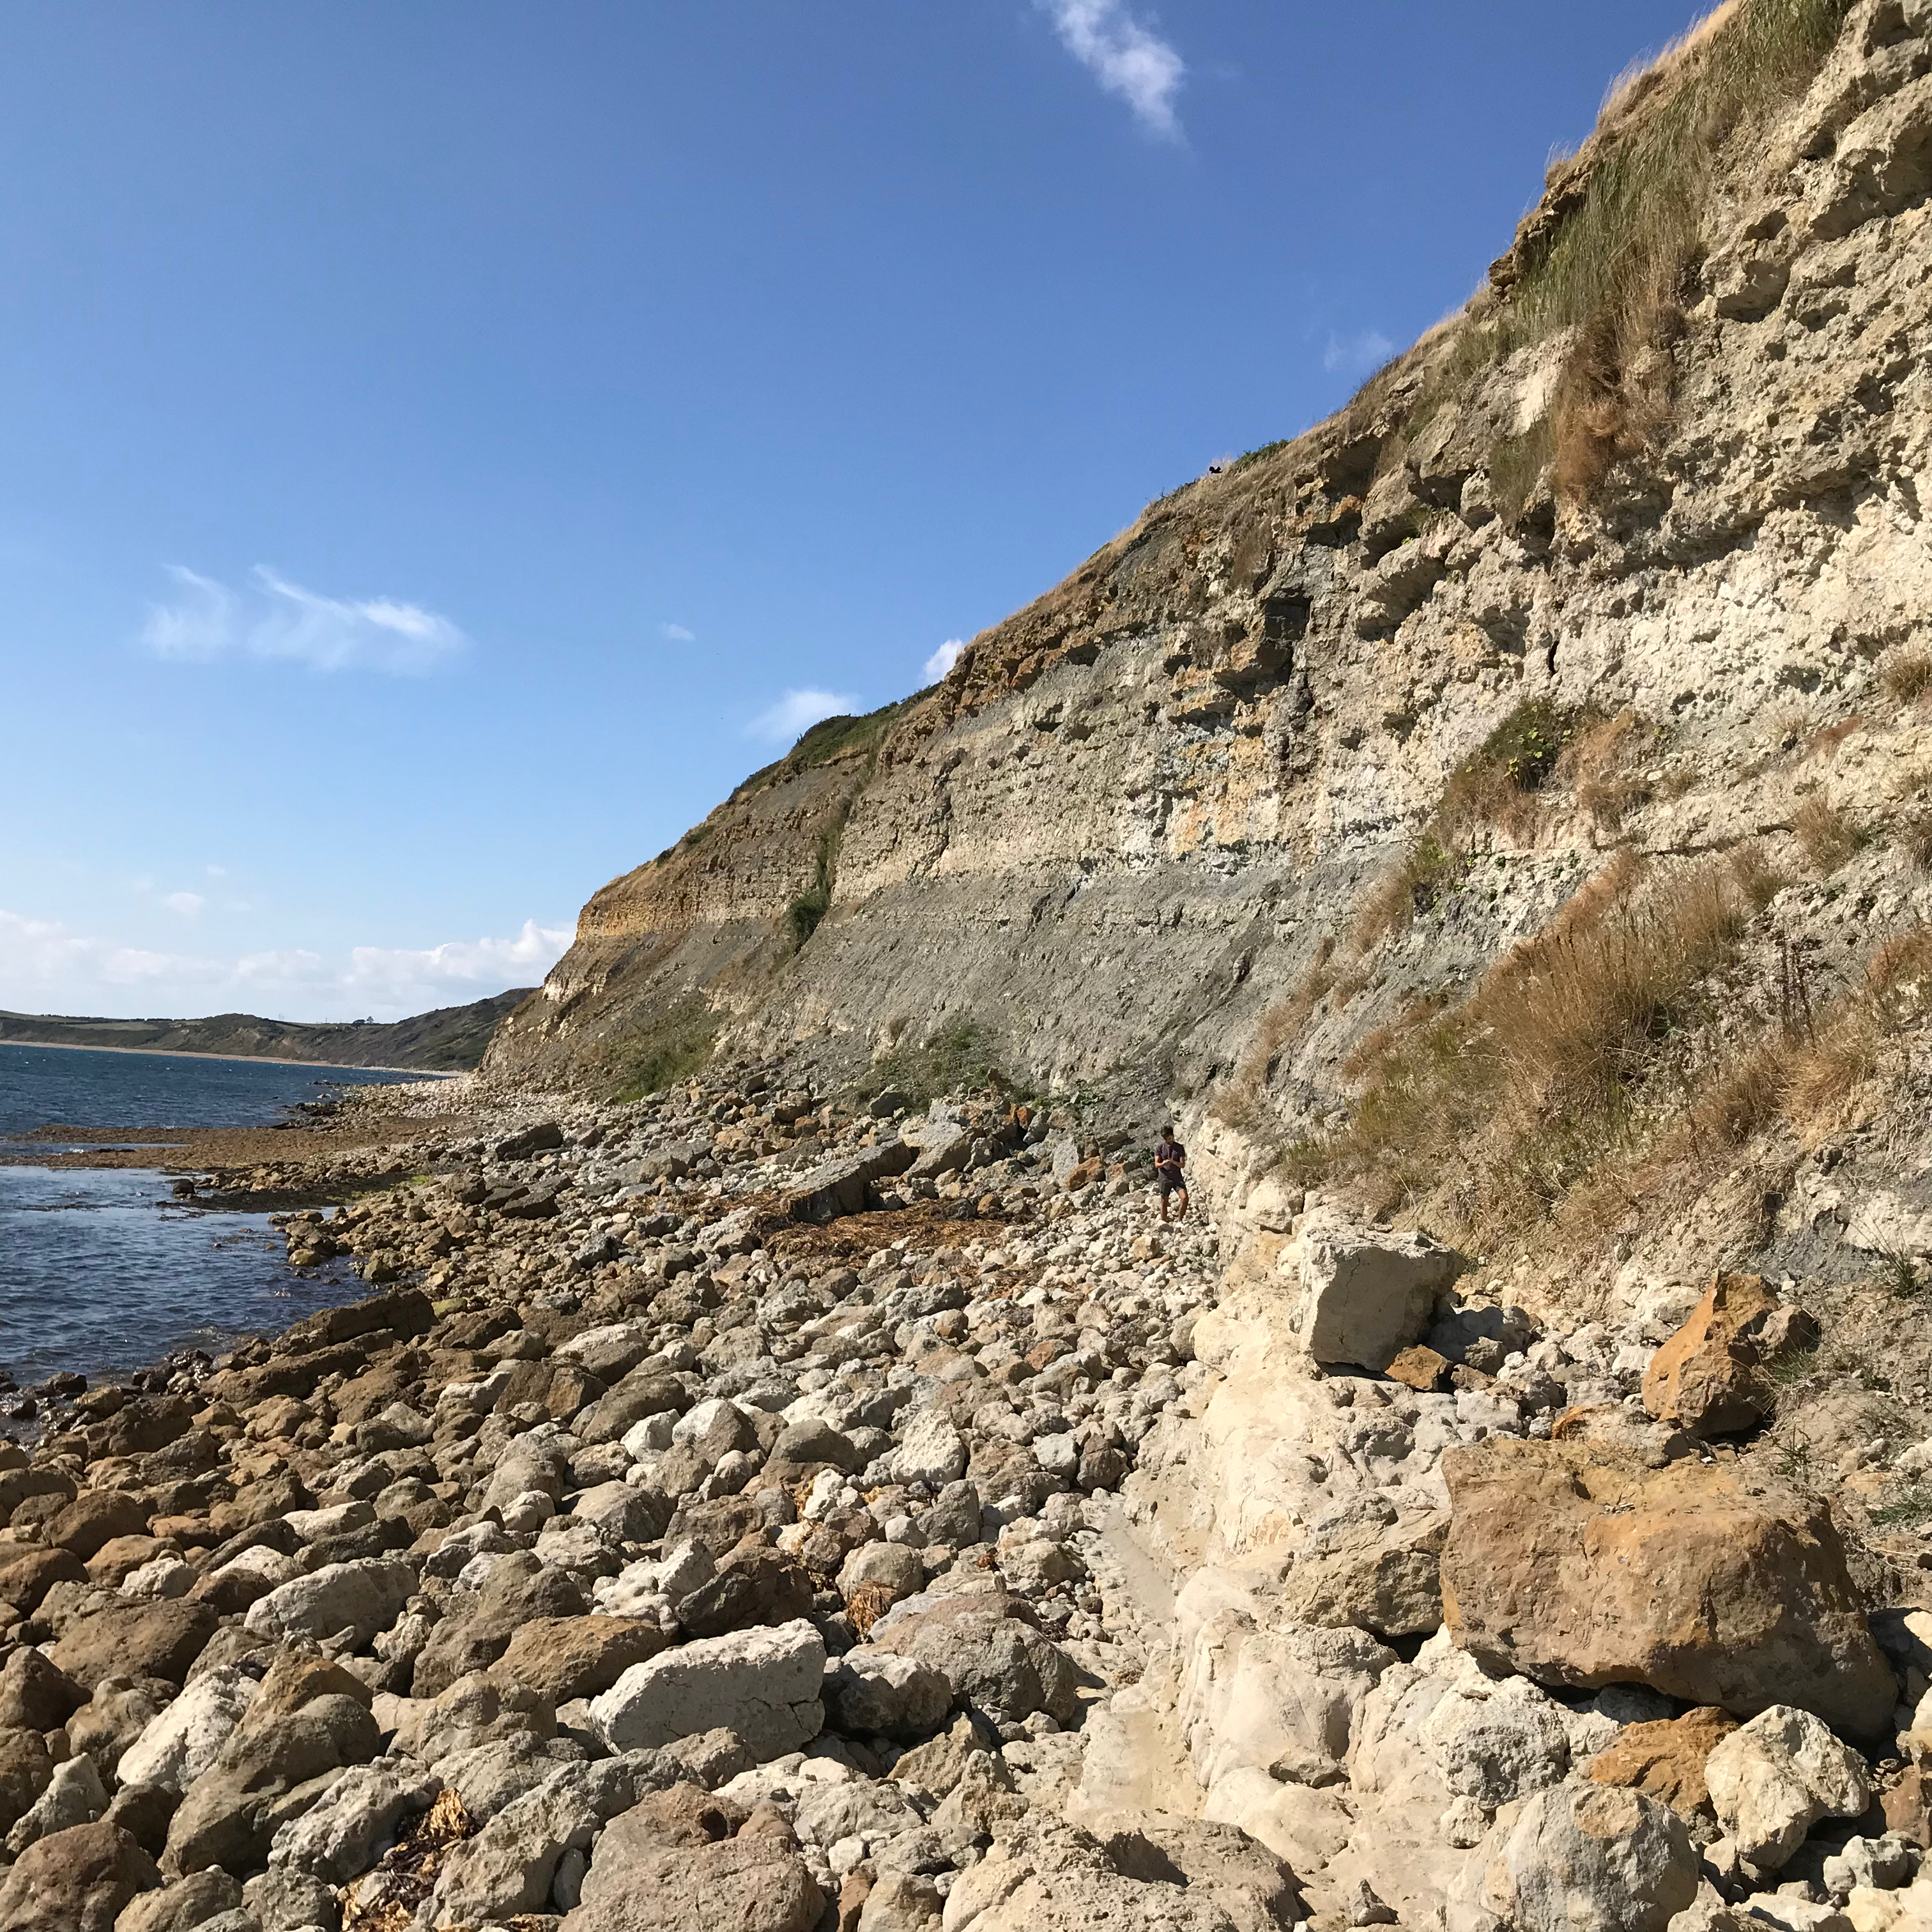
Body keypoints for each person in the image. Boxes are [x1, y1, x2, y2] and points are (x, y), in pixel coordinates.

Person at [1153, 1125, 1188, 1222]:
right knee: (1164, 1201)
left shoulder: (1179, 1148)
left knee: (1185, 1198)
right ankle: (1164, 1220)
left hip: (1177, 1177)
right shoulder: (1160, 1148)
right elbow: (1157, 1164)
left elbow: (1182, 1165)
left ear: (1173, 1135)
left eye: (1170, 1138)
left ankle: (1180, 1220)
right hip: (1164, 1177)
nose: (1169, 1140)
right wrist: (1163, 1164)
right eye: (1167, 1139)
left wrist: (1174, 1162)